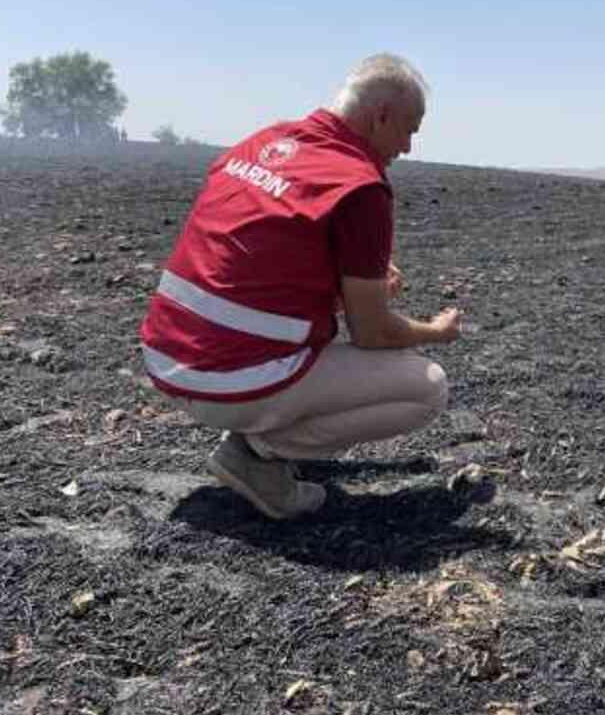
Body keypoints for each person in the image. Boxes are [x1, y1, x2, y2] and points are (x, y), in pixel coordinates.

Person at [139, 54, 461, 519]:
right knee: (426, 389)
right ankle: (257, 455)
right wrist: (437, 330)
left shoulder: (262, 142)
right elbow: (372, 334)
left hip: (165, 355)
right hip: (227, 379)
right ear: (381, 116)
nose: (408, 147)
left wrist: (346, 283)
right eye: (409, 129)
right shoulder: (361, 186)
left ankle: (254, 436)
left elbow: (255, 263)